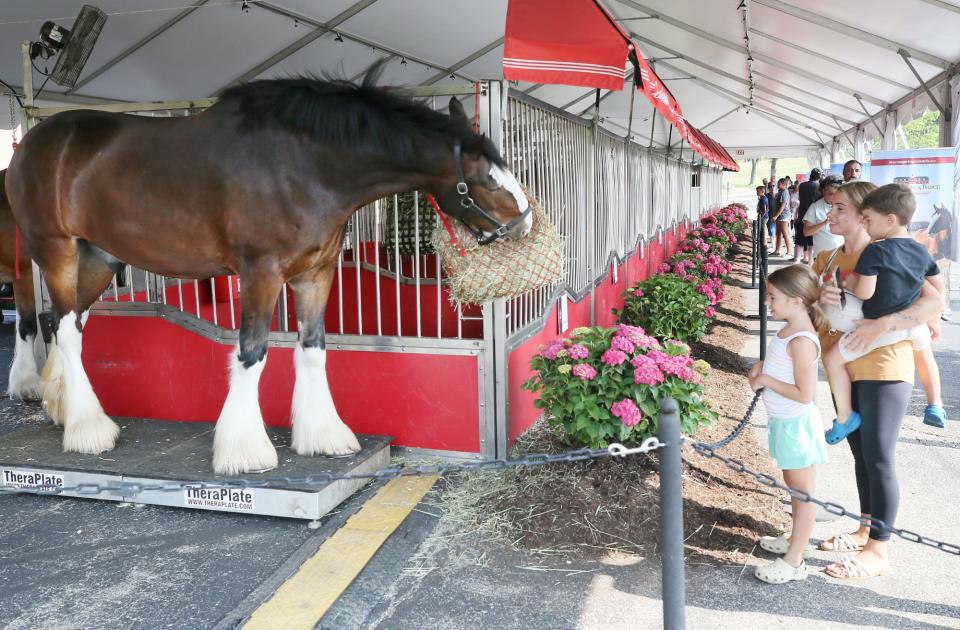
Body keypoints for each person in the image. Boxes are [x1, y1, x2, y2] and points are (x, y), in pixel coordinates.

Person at [811, 181, 945, 579]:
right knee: (860, 452)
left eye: (840, 209)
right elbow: (813, 311)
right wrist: (822, 301)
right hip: (844, 363)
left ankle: (878, 551)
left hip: (885, 363)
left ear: (866, 215)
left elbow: (936, 300)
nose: (830, 215)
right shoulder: (827, 256)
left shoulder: (886, 253)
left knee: (880, 456)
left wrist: (885, 322)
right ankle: (865, 528)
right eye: (830, 208)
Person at [821, 184, 946, 444]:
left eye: (840, 208)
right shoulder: (918, 249)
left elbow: (868, 292)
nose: (830, 214)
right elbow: (938, 291)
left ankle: (844, 418)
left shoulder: (878, 252)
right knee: (925, 354)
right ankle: (935, 404)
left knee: (834, 362)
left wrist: (850, 283)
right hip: (898, 336)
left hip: (878, 351)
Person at [748, 264, 828, 584]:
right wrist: (762, 367)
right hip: (784, 423)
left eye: (773, 297)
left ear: (797, 301)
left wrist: (766, 378)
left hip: (796, 425)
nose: (768, 303)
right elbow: (780, 364)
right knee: (794, 489)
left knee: (802, 493)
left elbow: (804, 393)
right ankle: (795, 539)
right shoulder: (788, 330)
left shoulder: (802, 339)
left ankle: (795, 560)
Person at [803, 175, 844, 258]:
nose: (833, 197)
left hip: (842, 255)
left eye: (836, 194)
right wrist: (825, 222)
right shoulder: (815, 207)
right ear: (823, 191)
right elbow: (807, 232)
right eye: (830, 194)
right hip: (821, 257)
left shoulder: (844, 206)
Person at [794, 168, 821, 263]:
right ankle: (810, 262)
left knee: (799, 241)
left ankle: (797, 259)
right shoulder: (819, 186)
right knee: (811, 243)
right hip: (813, 218)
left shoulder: (802, 185)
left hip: (801, 215)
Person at [771, 178, 793, 257]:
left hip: (783, 215)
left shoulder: (785, 192)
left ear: (783, 184)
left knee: (785, 233)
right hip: (780, 215)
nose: (778, 185)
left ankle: (789, 251)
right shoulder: (781, 192)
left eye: (779, 183)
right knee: (778, 233)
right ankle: (777, 250)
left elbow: (783, 206)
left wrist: (776, 216)